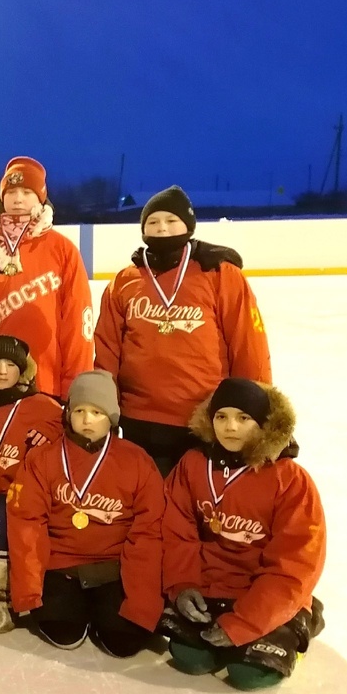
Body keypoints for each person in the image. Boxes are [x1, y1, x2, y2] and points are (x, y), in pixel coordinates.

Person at [160, 378, 326, 690]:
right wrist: (182, 584)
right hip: (213, 585)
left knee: (249, 676)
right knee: (189, 658)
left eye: (243, 418)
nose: (230, 427)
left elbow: (295, 562)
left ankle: (301, 618)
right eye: (221, 417)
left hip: (263, 592)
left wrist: (246, 623)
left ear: (263, 424)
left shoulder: (290, 480)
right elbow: (175, 532)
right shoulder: (193, 465)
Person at [95, 186, 272, 476]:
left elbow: (248, 345)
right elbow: (107, 349)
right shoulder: (125, 281)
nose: (162, 228)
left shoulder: (220, 275)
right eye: (153, 222)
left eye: (171, 220)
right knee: (146, 504)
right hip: (139, 418)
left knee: (196, 505)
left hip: (204, 418)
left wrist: (256, 408)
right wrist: (105, 407)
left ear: (188, 227)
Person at [8, 371, 164, 656]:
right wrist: (29, 592)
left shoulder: (137, 461)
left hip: (114, 570)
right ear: (68, 414)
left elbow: (148, 531)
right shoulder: (43, 459)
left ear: (112, 417)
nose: (88, 419)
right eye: (80, 410)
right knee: (63, 630)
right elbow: (27, 523)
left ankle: (104, 606)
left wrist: (142, 602)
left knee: (123, 641)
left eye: (97, 411)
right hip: (60, 566)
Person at [0, 157, 94, 402]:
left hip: (46, 386)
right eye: (11, 192)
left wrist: (75, 388)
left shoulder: (62, 249)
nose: (18, 199)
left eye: (27, 192)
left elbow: (76, 322)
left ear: (41, 198)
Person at [0, 334, 65, 633]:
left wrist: (48, 431)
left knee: (7, 520)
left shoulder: (45, 408)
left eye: (10, 364)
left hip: (17, 496)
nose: (3, 371)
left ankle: (0, 596)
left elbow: (66, 427)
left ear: (24, 370)